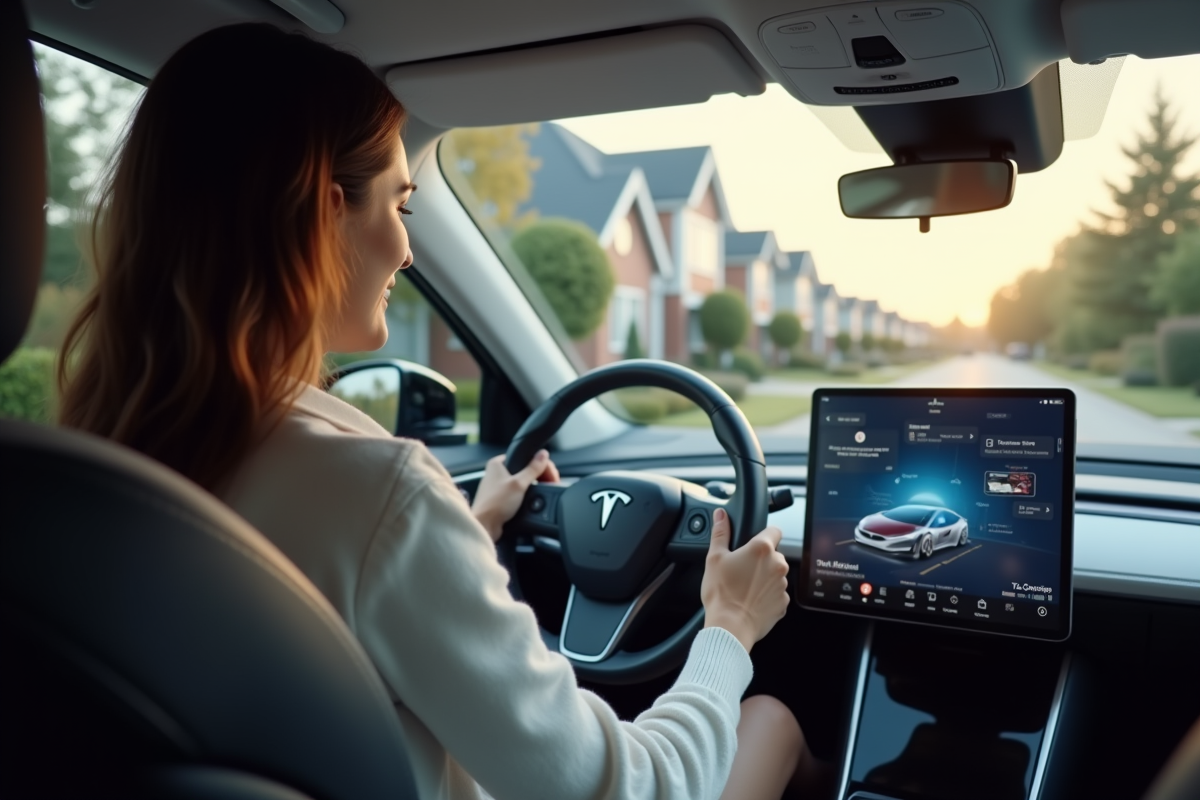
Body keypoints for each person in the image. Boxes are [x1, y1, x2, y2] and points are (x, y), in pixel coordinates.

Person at [58, 22, 826, 800]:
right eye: (399, 205)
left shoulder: (80, 467)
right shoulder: (371, 493)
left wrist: (470, 525)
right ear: (323, 217)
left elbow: (323, 606)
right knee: (771, 720)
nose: (407, 250)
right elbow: (630, 789)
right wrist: (729, 626)